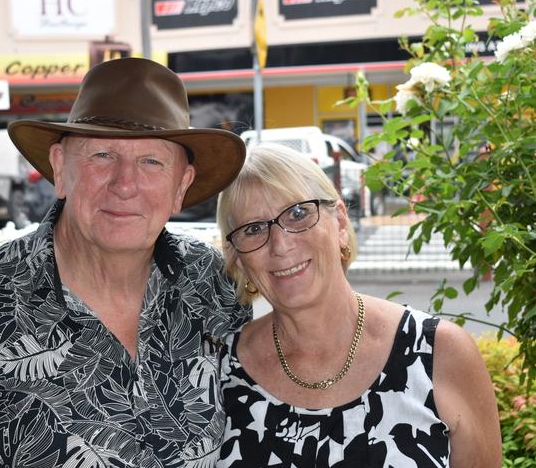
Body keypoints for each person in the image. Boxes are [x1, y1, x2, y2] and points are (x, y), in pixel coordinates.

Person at [0, 58, 251, 467]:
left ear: (180, 186)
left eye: (152, 161)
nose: (125, 184)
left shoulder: (213, 283)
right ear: (61, 168)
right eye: (102, 155)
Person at [215, 144, 501, 467]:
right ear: (237, 259)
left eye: (298, 213)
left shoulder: (440, 353)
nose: (280, 244)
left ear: (339, 222)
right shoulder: (220, 372)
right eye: (253, 229)